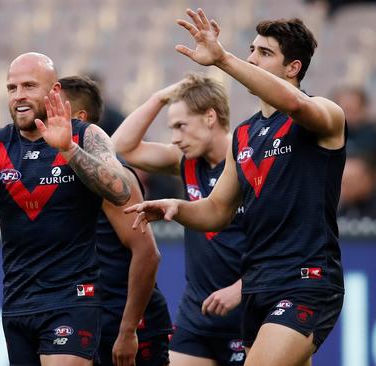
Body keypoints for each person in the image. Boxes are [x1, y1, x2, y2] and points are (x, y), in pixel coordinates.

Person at [127, 9, 346, 366]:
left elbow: (293, 103)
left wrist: (222, 59)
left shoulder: (324, 114)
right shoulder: (242, 136)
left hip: (305, 279)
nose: (251, 58)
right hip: (259, 283)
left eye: (264, 53)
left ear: (293, 68)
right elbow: (216, 211)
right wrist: (176, 207)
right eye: (251, 50)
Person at [0, 52, 131, 366]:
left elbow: (121, 191)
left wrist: (68, 149)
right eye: (12, 88)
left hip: (72, 297)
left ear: (55, 91)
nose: (19, 95)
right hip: (18, 301)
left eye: (29, 86)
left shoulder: (86, 135)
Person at [112, 73, 246, 366]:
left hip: (247, 309)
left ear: (210, 116)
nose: (175, 138)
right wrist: (160, 98)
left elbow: (281, 241)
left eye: (181, 126)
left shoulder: (251, 165)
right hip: (197, 314)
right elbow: (120, 148)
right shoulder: (185, 160)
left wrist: (240, 288)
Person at [58, 75, 173, 366]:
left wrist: (128, 331)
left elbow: (148, 254)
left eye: (54, 110)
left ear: (78, 118)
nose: (44, 119)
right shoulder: (61, 178)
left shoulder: (112, 180)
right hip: (90, 318)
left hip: (128, 323)